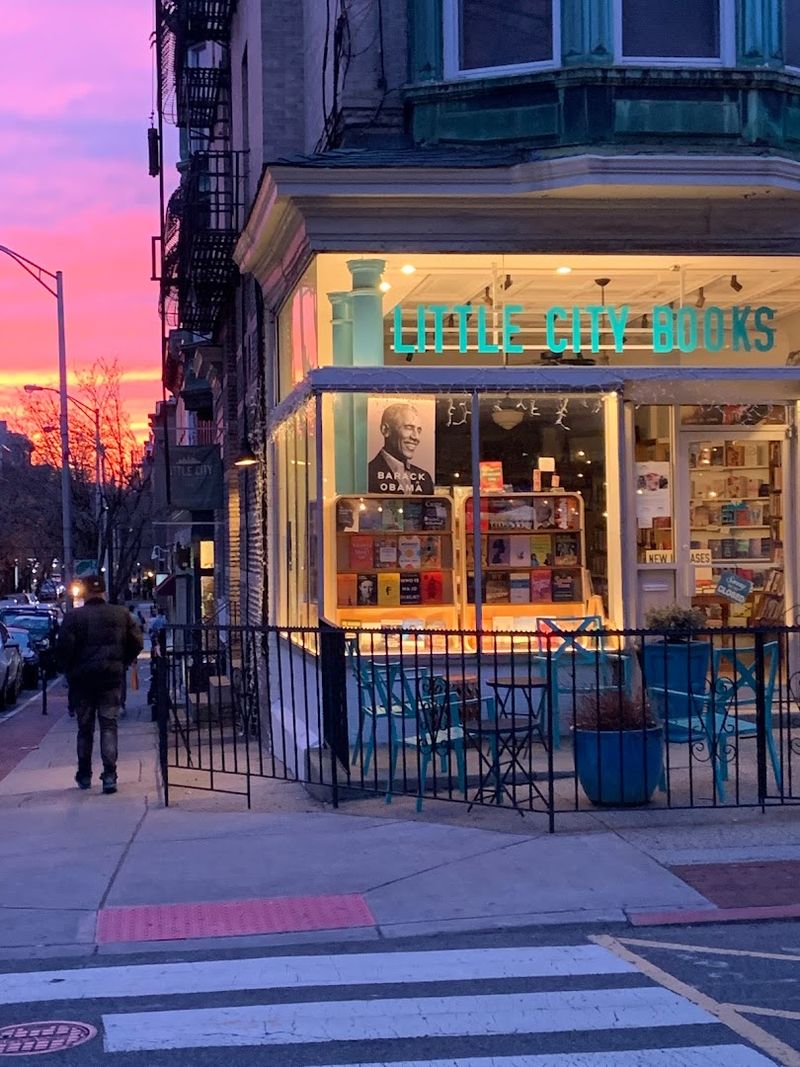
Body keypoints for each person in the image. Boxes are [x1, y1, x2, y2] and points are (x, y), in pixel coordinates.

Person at [56, 574, 143, 794]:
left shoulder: (73, 618)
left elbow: (64, 650)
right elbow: (137, 643)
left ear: (84, 593)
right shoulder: (121, 614)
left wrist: (70, 670)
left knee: (84, 729)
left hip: (82, 681)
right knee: (109, 726)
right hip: (110, 679)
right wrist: (121, 661)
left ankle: (84, 775)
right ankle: (110, 775)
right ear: (103, 591)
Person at [367, 402, 434, 494]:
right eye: (409, 428)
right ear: (385, 430)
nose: (416, 437)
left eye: (418, 430)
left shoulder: (425, 479)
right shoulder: (366, 476)